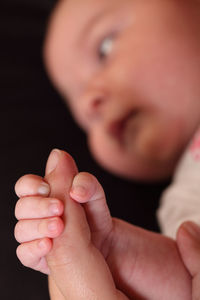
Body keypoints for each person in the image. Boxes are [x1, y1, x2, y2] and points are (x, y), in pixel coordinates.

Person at [14, 0, 200, 298]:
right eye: (84, 119)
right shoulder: (184, 205)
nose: (90, 103)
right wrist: (107, 255)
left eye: (105, 49)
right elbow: (189, 283)